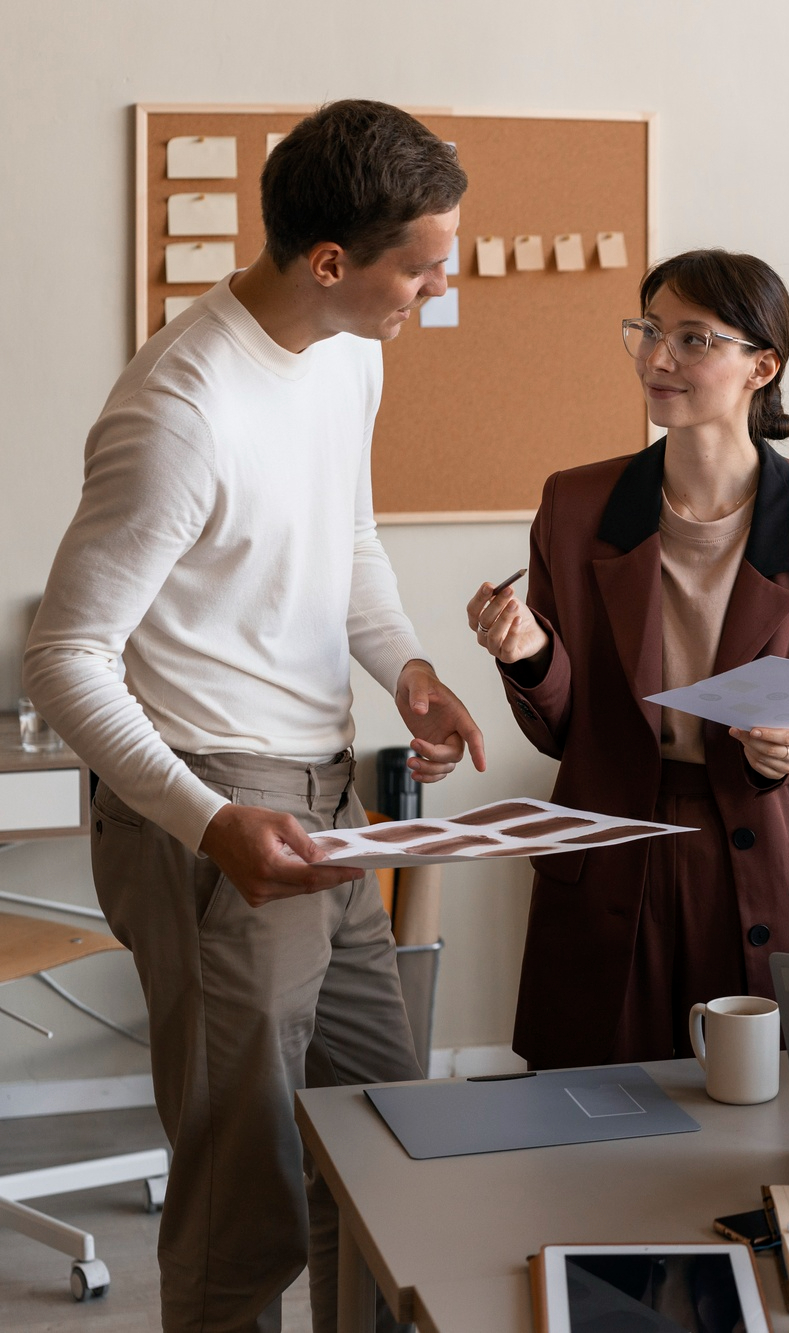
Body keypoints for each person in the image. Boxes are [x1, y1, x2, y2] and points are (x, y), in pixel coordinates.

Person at [24, 100, 485, 1333]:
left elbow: (347, 538)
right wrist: (205, 818)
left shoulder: (350, 347)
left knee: (384, 1136)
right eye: (423, 264)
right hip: (216, 794)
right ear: (331, 262)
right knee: (246, 1199)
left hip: (326, 785)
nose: (439, 287)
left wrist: (407, 667)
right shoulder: (179, 411)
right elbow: (61, 656)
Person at [465, 249, 789, 1068]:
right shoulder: (576, 504)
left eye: (693, 339)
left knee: (758, 1123)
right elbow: (562, 731)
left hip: (757, 845)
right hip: (611, 837)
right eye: (649, 331)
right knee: (589, 1125)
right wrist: (531, 654)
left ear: (763, 364)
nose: (658, 359)